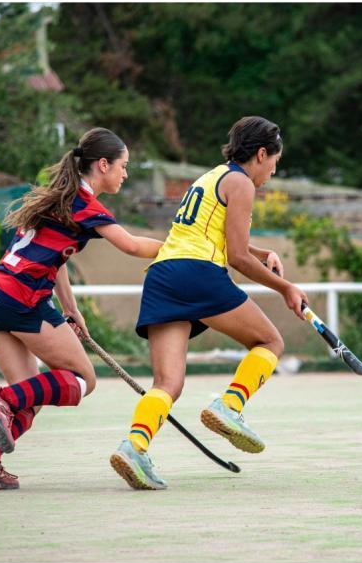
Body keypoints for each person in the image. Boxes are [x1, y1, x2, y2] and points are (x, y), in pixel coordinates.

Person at [110, 116, 308, 490]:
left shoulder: (211, 177)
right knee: (270, 342)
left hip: (163, 274)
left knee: (167, 382)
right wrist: (285, 288)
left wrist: (261, 250)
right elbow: (236, 258)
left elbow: (211, 235)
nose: (273, 172)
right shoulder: (242, 184)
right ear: (261, 154)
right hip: (197, 273)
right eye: (274, 163)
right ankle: (230, 405)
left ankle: (134, 446)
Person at [0, 127, 163, 491]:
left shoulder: (60, 197)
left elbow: (58, 259)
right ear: (103, 165)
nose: (125, 174)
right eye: (123, 166)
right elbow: (131, 246)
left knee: (31, 397)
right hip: (21, 299)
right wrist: (178, 249)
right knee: (84, 380)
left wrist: (71, 308)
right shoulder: (85, 205)